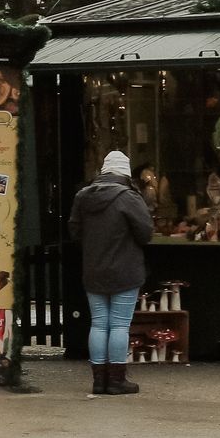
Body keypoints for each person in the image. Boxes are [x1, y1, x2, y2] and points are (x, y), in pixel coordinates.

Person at [70, 149, 153, 397]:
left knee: (99, 323)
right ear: (125, 173)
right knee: (118, 325)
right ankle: (116, 380)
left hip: (93, 269)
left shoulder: (83, 196)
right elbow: (146, 233)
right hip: (125, 271)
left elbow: (74, 231)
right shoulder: (129, 197)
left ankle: (99, 380)